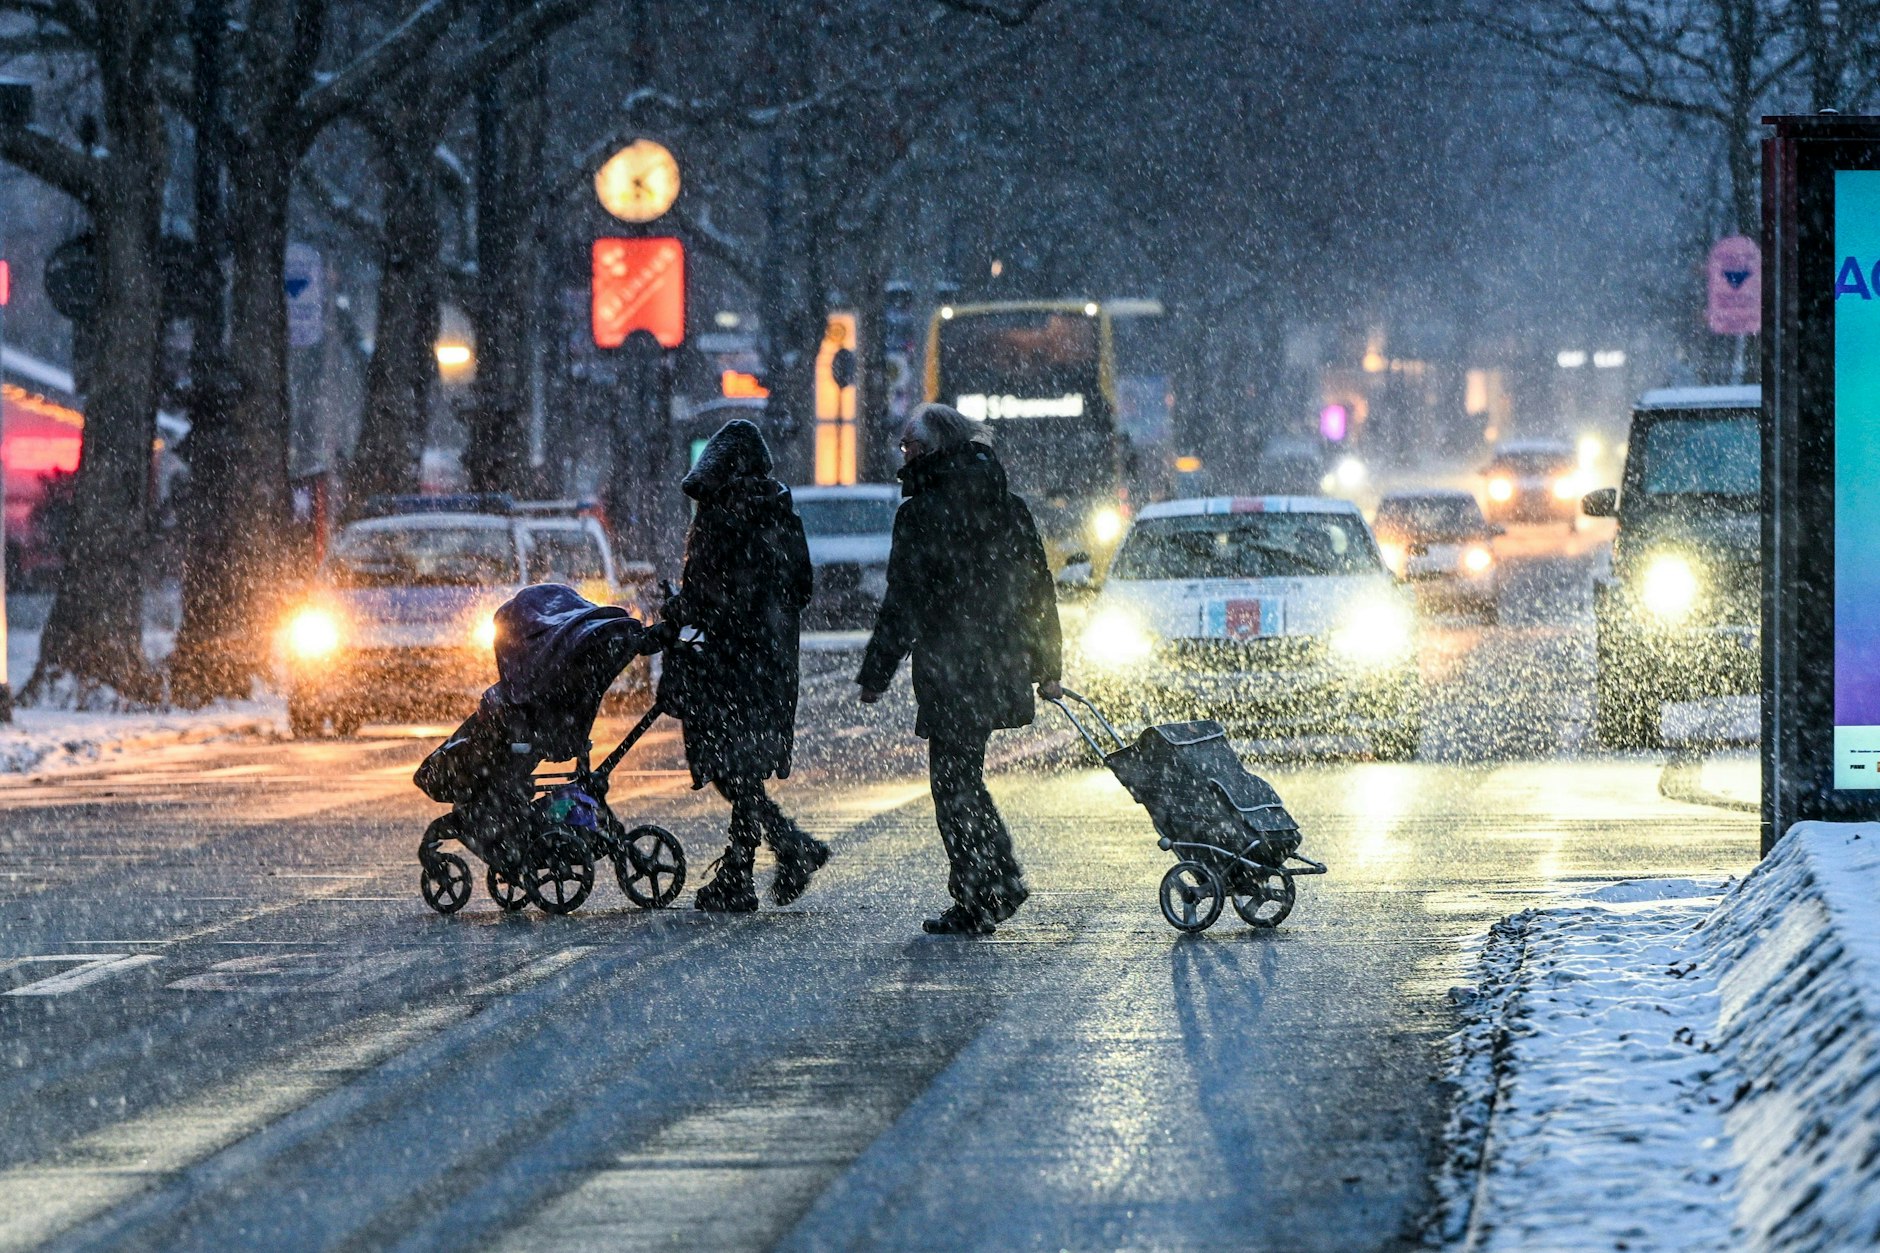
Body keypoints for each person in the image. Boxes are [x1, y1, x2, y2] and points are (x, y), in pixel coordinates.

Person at [857, 403, 1063, 935]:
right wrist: (1046, 662)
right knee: (962, 778)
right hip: (997, 663)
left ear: (932, 449)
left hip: (952, 669)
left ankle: (988, 887)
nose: (903, 455)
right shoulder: (1006, 505)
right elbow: (1037, 588)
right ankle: (989, 883)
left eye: (909, 447)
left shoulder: (922, 513)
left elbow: (903, 599)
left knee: (953, 782)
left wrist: (877, 670)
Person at [660, 419, 829, 912]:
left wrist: (678, 614)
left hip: (730, 663)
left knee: (728, 766)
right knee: (742, 765)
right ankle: (754, 862)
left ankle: (770, 854)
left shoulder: (722, 519)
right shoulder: (781, 515)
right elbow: (801, 590)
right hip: (773, 661)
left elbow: (707, 596)